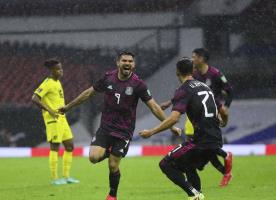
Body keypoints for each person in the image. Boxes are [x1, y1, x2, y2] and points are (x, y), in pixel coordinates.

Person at [59, 51, 181, 200]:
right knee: (93, 158)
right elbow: (88, 93)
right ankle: (111, 152)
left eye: (130, 61)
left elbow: (154, 107)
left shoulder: (138, 84)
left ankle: (112, 195)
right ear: (118, 63)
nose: (127, 63)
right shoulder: (108, 78)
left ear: (134, 65)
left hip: (124, 131)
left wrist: (171, 126)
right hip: (105, 128)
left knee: (113, 165)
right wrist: (68, 107)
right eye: (124, 61)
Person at [139, 58, 229, 200]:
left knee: (165, 164)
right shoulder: (205, 87)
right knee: (188, 165)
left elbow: (174, 118)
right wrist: (223, 122)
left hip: (200, 141)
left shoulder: (183, 90)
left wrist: (151, 132)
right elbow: (221, 112)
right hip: (216, 140)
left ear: (177, 72)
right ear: (193, 70)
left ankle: (193, 194)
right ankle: (196, 195)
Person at [160, 48, 233, 186]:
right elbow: (186, 93)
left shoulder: (215, 73)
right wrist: (171, 102)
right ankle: (220, 171)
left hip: (211, 112)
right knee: (201, 146)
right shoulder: (195, 75)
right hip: (195, 112)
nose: (192, 59)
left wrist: (226, 107)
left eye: (194, 57)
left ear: (202, 58)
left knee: (203, 144)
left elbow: (229, 91)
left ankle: (222, 159)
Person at [32, 59, 80, 185]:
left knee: (70, 146)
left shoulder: (57, 82)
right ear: (52, 70)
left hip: (62, 119)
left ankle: (66, 176)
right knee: (55, 148)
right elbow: (34, 98)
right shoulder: (47, 83)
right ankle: (54, 178)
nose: (61, 71)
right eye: (58, 69)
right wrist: (50, 111)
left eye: (61, 68)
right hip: (53, 120)